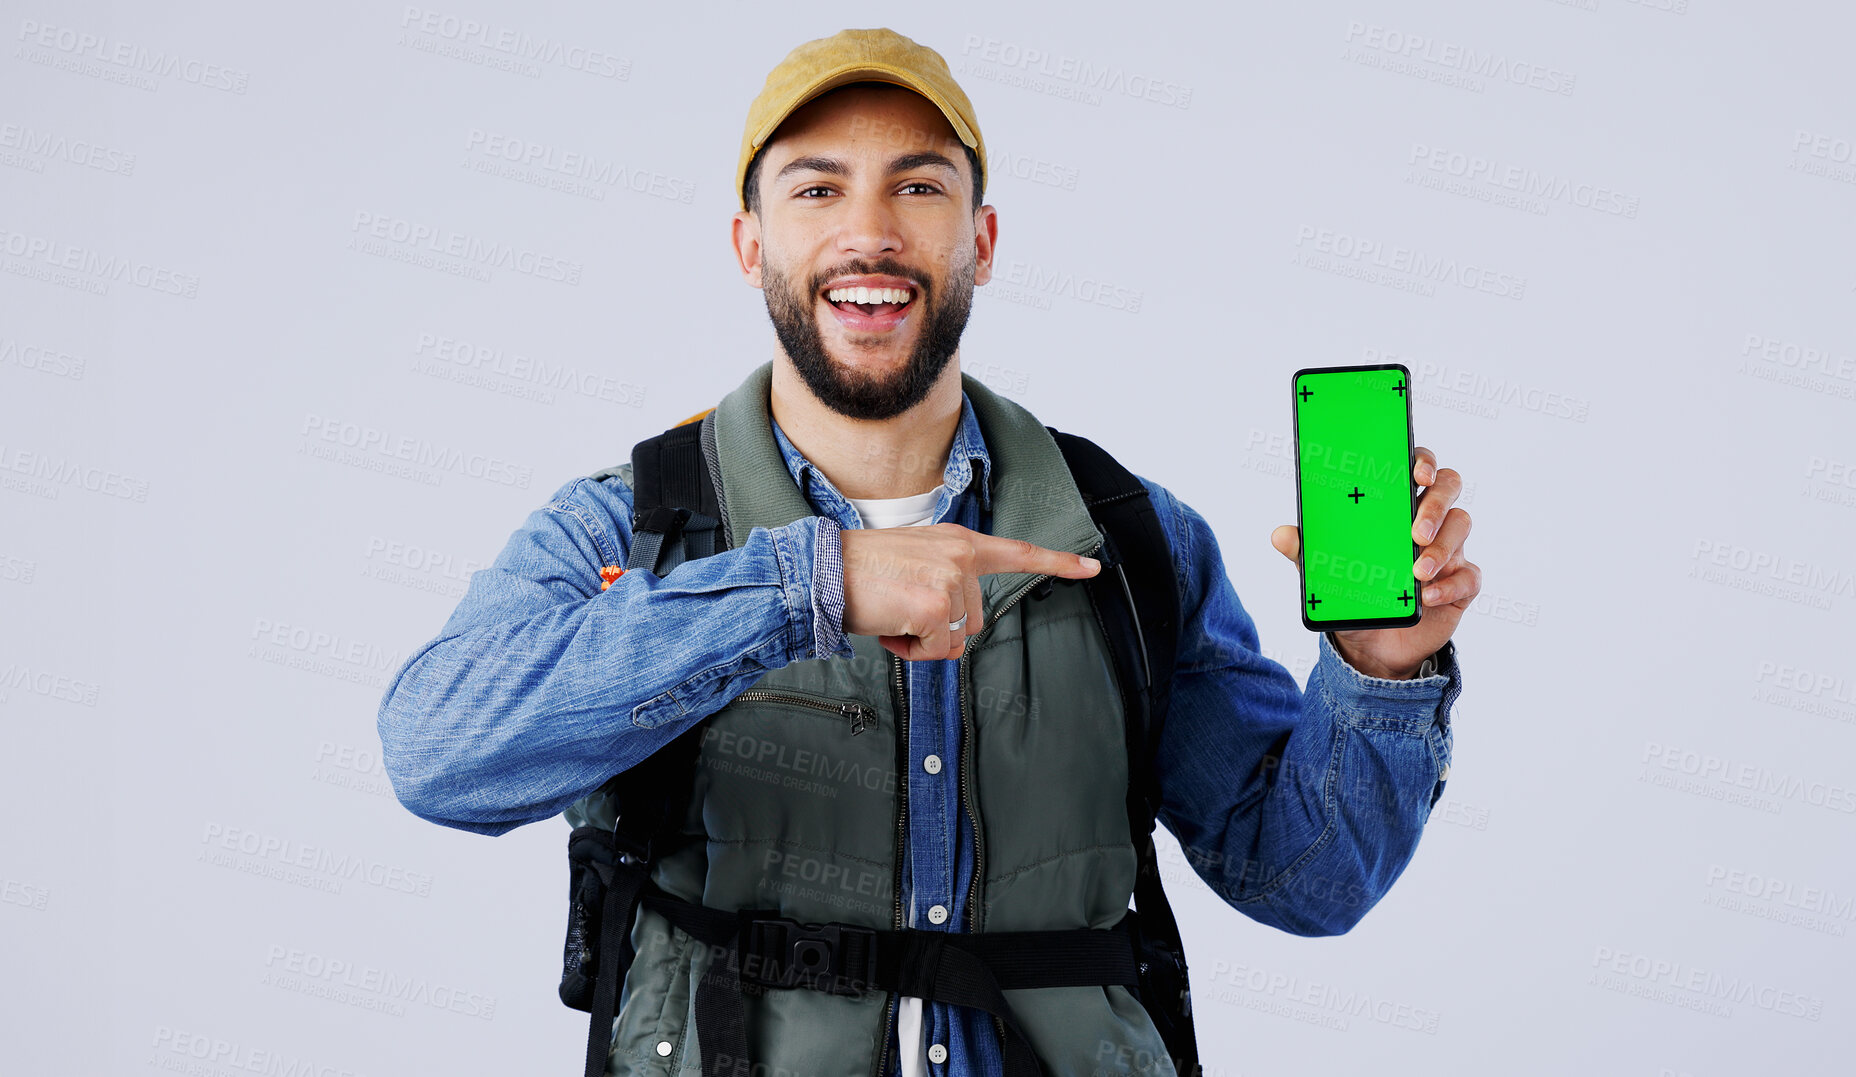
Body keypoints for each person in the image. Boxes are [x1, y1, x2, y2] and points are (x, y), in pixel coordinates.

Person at [376, 27, 1478, 1077]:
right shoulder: (628, 528)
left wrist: (1381, 673)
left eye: (917, 186)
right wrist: (807, 589)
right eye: (816, 189)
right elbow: (439, 753)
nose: (870, 233)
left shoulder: (1129, 540)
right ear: (748, 244)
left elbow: (1304, 881)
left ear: (981, 242)